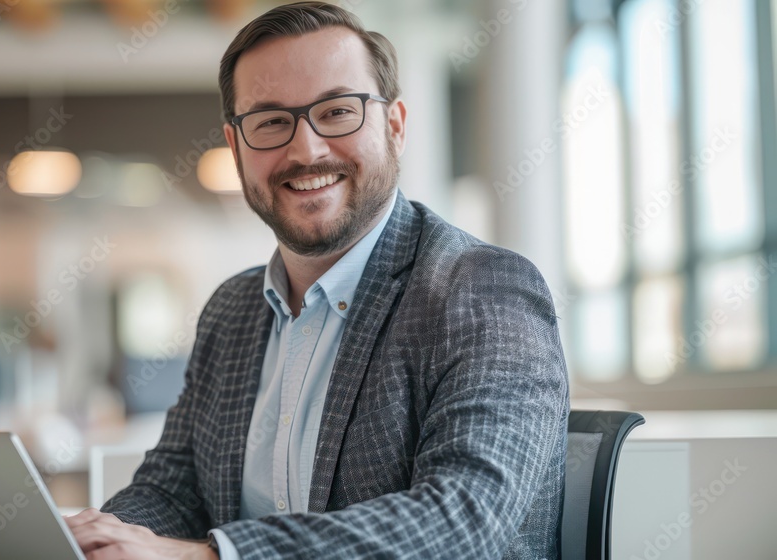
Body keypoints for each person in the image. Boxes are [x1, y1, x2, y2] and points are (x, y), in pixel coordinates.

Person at [66, 2, 569, 558]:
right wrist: (91, 537)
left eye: (336, 111)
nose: (305, 150)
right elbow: (173, 490)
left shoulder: (480, 289)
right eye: (271, 122)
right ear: (236, 148)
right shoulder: (232, 310)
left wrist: (211, 556)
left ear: (395, 126)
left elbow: (462, 521)